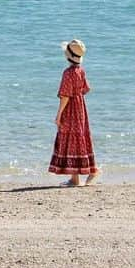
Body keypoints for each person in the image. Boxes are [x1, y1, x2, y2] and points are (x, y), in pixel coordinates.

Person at [48, 38, 99, 186]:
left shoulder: (68, 73)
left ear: (67, 56)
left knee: (70, 139)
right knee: (79, 138)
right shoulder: (80, 71)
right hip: (80, 108)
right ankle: (78, 177)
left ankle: (86, 174)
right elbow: (86, 89)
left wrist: (58, 115)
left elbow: (64, 96)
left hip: (70, 109)